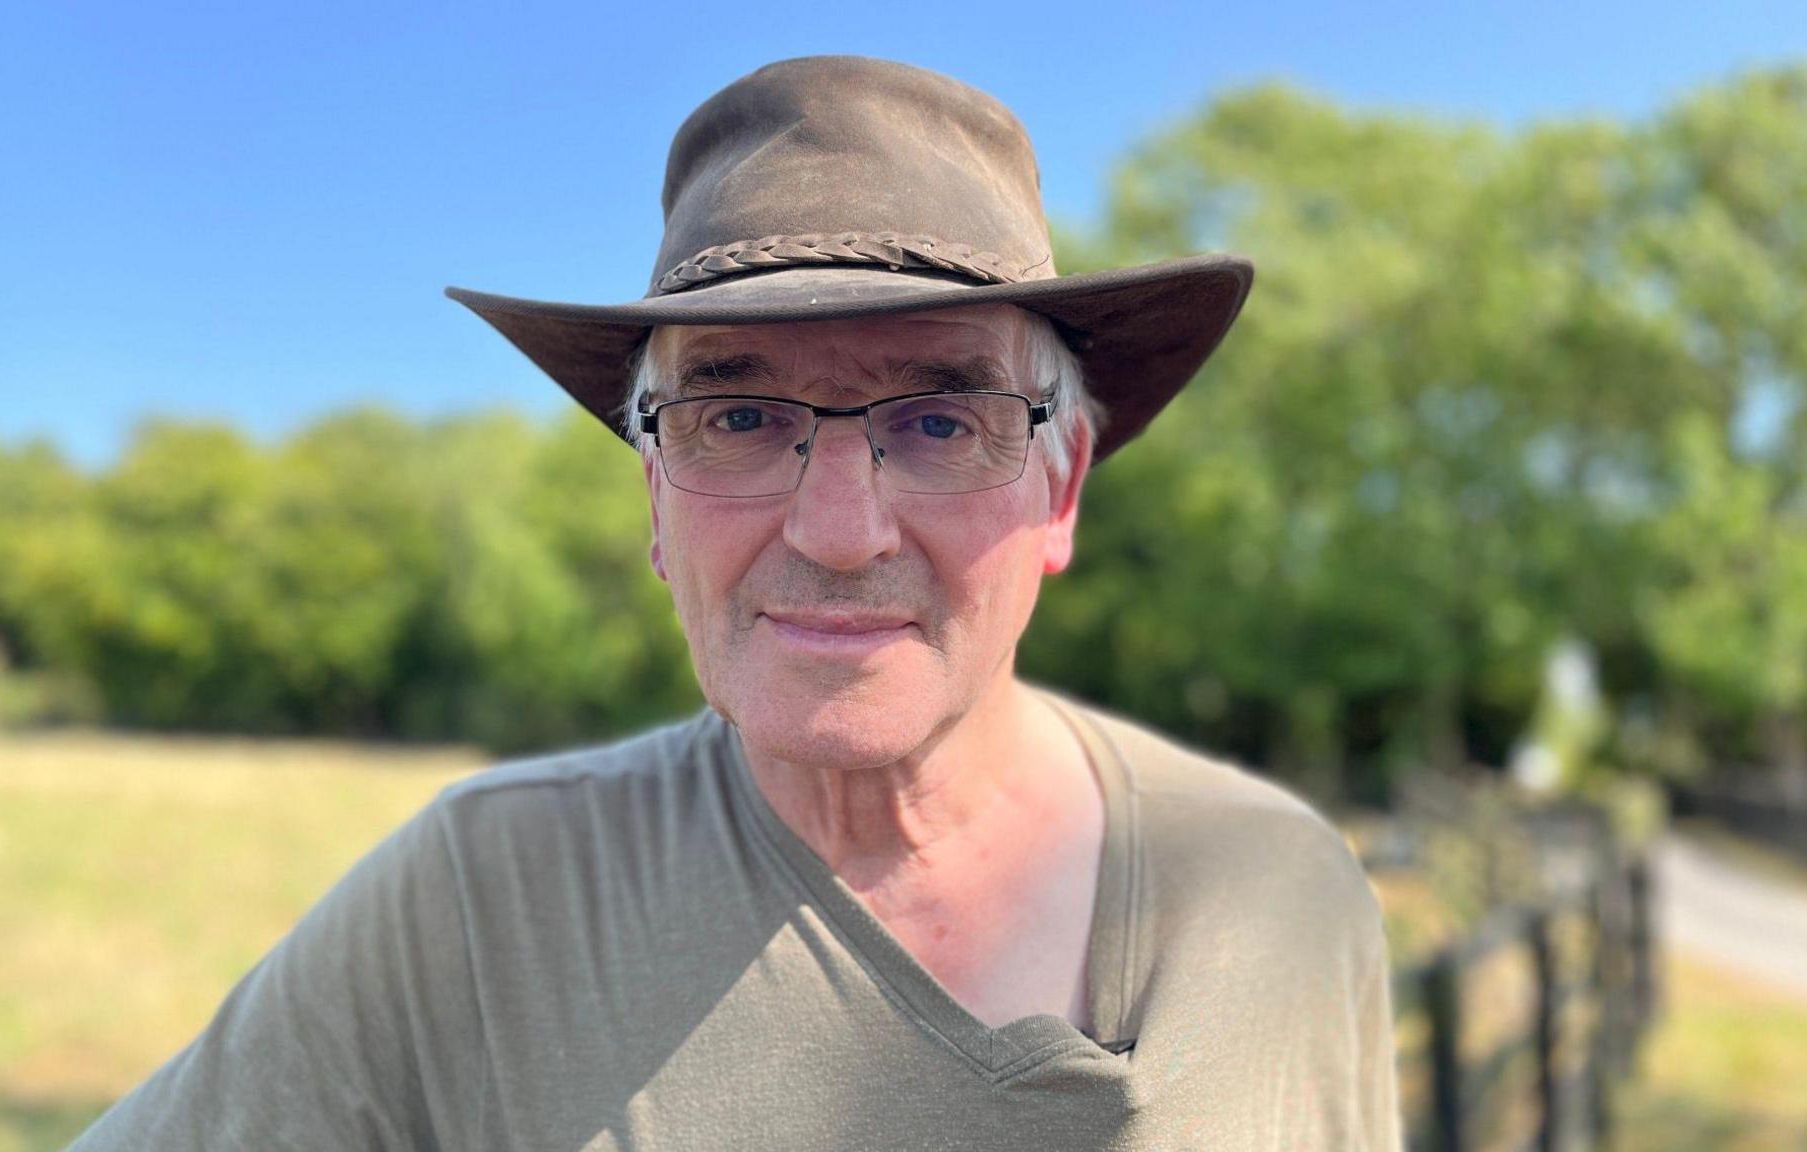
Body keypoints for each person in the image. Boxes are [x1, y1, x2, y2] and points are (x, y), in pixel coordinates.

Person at [68, 54, 1403, 1151]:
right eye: (741, 414)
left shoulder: (1285, 898)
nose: (835, 531)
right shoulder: (482, 908)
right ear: (654, 495)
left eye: (943, 420)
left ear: (1060, 490)